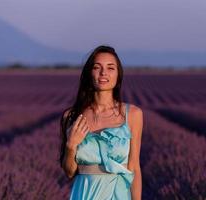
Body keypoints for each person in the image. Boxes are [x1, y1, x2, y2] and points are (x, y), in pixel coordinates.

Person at [59, 45, 143, 200]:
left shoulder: (133, 115)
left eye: (111, 68)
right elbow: (70, 172)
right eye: (97, 67)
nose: (104, 73)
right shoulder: (71, 116)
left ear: (118, 75)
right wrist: (71, 146)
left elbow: (134, 168)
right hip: (85, 193)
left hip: (118, 193)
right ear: (89, 73)